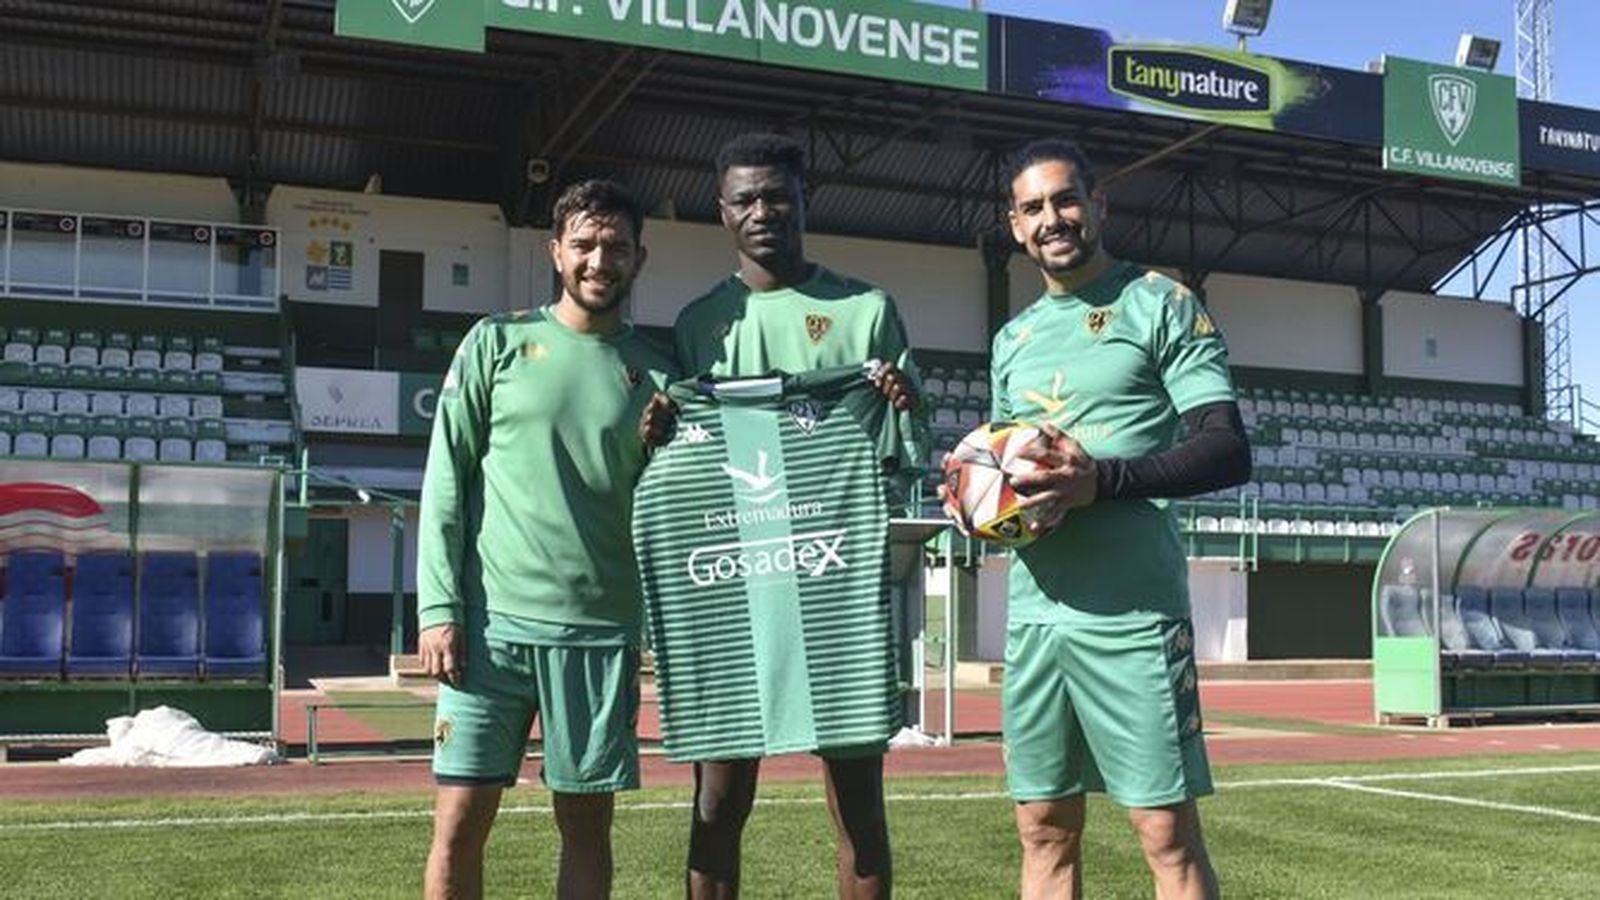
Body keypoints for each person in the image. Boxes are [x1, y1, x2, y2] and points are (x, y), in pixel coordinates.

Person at [950, 138, 1250, 900]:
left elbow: (1225, 449)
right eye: (1033, 208)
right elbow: (1004, 472)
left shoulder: (1160, 302)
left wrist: (1102, 481)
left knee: (1164, 835)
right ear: (1014, 226)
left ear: (1099, 205)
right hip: (1036, 618)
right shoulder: (1011, 340)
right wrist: (973, 503)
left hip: (1134, 615)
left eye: (1065, 199)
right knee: (1043, 826)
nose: (1052, 218)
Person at [668, 132, 926, 900]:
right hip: (735, 587)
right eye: (744, 199)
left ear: (804, 201)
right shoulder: (698, 326)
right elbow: (686, 460)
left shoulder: (868, 310)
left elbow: (904, 450)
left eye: (777, 195)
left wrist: (903, 409)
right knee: (718, 800)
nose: (762, 211)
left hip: (832, 582)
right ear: (722, 213)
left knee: (858, 805)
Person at [416, 179, 677, 900]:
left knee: (587, 829)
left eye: (616, 247)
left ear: (638, 258)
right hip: (490, 630)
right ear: (556, 250)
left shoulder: (662, 376)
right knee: (460, 825)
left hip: (600, 634)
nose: (600, 260)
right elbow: (446, 479)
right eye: (585, 245)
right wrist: (439, 607)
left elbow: (671, 504)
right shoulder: (496, 343)